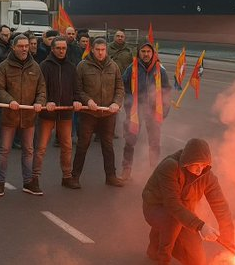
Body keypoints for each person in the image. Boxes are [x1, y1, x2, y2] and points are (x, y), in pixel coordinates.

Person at [142, 138, 235, 265]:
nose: (200, 169)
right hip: (156, 208)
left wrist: (228, 237)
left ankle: (160, 238)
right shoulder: (170, 167)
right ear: (187, 161)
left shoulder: (207, 176)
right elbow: (173, 204)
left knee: (196, 264)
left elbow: (220, 205)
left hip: (183, 215)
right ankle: (163, 261)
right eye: (196, 165)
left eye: (203, 165)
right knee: (172, 220)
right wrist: (201, 226)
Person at [0, 34, 46, 196]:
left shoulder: (35, 67)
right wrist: (9, 100)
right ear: (13, 47)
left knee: (28, 150)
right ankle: (0, 183)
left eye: (26, 46)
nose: (24, 49)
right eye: (21, 46)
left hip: (29, 117)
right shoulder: (3, 67)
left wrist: (39, 102)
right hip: (9, 116)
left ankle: (28, 182)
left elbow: (42, 89)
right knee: (4, 150)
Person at [71, 37, 124, 188]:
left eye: (103, 50)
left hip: (108, 114)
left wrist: (116, 102)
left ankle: (111, 176)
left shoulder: (113, 66)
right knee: (82, 145)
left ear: (106, 50)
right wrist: (87, 100)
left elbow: (120, 88)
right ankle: (74, 177)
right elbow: (77, 89)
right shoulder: (82, 66)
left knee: (108, 146)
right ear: (92, 50)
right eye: (98, 50)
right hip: (89, 113)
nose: (100, 53)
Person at [32, 36, 82, 190]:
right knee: (41, 147)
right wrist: (46, 102)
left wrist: (77, 100)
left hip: (65, 113)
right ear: (52, 49)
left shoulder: (71, 67)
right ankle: (34, 178)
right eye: (58, 48)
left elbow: (77, 88)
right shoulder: (44, 66)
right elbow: (40, 88)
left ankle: (67, 177)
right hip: (47, 113)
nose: (61, 51)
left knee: (67, 146)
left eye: (64, 48)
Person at [121, 42, 172, 180]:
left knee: (154, 142)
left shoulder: (160, 70)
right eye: (143, 51)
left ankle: (154, 171)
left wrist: (164, 110)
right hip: (135, 110)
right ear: (138, 53)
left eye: (148, 51)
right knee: (130, 140)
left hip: (154, 111)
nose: (146, 54)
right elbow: (124, 88)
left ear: (153, 53)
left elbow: (166, 90)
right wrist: (129, 105)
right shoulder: (131, 69)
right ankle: (126, 169)